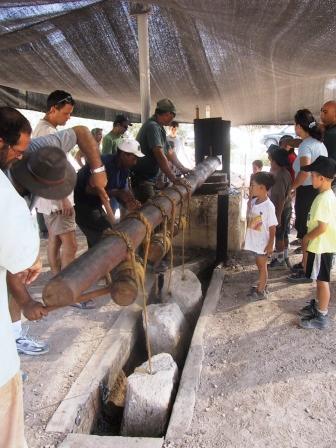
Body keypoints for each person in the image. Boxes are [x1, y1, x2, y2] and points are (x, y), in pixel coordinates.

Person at [0, 106, 108, 352]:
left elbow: (80, 131)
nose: (23, 156)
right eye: (19, 152)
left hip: (13, 229)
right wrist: (27, 301)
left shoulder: (34, 150)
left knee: (15, 271)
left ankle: (13, 338)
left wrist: (98, 170)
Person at [0, 153, 41, 447]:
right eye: (17, 148)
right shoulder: (5, 196)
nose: (20, 154)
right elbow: (20, 258)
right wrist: (33, 260)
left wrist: (26, 303)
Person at [33, 90, 77, 276]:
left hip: (48, 200)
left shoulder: (41, 129)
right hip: (57, 200)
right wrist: (63, 199)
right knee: (71, 245)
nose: (68, 118)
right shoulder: (48, 133)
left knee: (54, 239)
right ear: (53, 109)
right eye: (66, 113)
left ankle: (56, 280)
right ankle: (68, 288)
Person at [75, 139, 143, 247]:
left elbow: (121, 192)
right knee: (105, 237)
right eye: (133, 158)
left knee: (98, 238)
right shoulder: (103, 164)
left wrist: (128, 202)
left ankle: (95, 261)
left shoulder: (125, 170)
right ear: (123, 154)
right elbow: (89, 190)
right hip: (80, 201)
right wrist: (116, 193)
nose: (135, 162)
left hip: (95, 202)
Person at [288, 109, 328, 282]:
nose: (294, 127)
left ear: (299, 126)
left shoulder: (306, 145)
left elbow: (304, 172)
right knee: (310, 228)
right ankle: (306, 262)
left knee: (306, 230)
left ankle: (307, 271)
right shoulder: (318, 143)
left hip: (307, 191)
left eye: (295, 124)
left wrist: (292, 187)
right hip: (316, 190)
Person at [297, 156, 336, 329]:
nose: (310, 178)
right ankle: (319, 306)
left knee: (322, 281)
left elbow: (322, 227)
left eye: (312, 175)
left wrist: (306, 238)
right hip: (320, 246)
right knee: (319, 279)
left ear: (322, 178)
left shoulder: (324, 199)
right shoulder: (325, 195)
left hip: (321, 246)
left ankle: (322, 315)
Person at [131, 98, 190, 204]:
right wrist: (173, 179)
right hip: (143, 180)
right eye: (171, 117)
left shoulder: (160, 128)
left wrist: (183, 169)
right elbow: (159, 154)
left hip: (150, 179)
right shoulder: (152, 126)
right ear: (167, 114)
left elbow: (169, 152)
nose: (171, 121)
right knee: (150, 213)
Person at [244, 172, 278, 301]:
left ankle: (261, 290)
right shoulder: (254, 202)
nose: (250, 188)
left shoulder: (269, 206)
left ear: (262, 188)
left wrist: (270, 244)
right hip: (255, 241)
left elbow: (272, 227)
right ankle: (262, 284)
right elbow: (252, 218)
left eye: (252, 185)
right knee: (259, 264)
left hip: (263, 243)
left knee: (262, 266)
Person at [268, 149, 292, 269]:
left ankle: (280, 260)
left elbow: (281, 198)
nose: (270, 161)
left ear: (276, 161)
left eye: (271, 159)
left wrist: (278, 215)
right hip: (284, 207)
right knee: (284, 233)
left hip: (281, 208)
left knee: (279, 234)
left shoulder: (281, 176)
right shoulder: (283, 172)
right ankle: (285, 256)